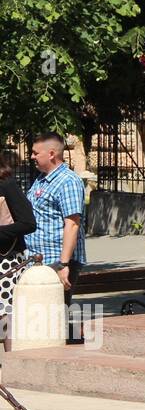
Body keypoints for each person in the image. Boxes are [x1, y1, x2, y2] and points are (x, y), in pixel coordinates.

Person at [24, 134, 87, 332]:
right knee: (36, 322)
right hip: (38, 260)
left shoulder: (67, 181)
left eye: (35, 153)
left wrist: (64, 264)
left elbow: (72, 224)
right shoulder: (42, 180)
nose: (32, 157)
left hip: (56, 261)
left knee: (51, 322)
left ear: (51, 154)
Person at [0, 161, 38, 351]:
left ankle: (10, 367)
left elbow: (28, 223)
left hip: (6, 262)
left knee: (6, 317)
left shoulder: (6, 184)